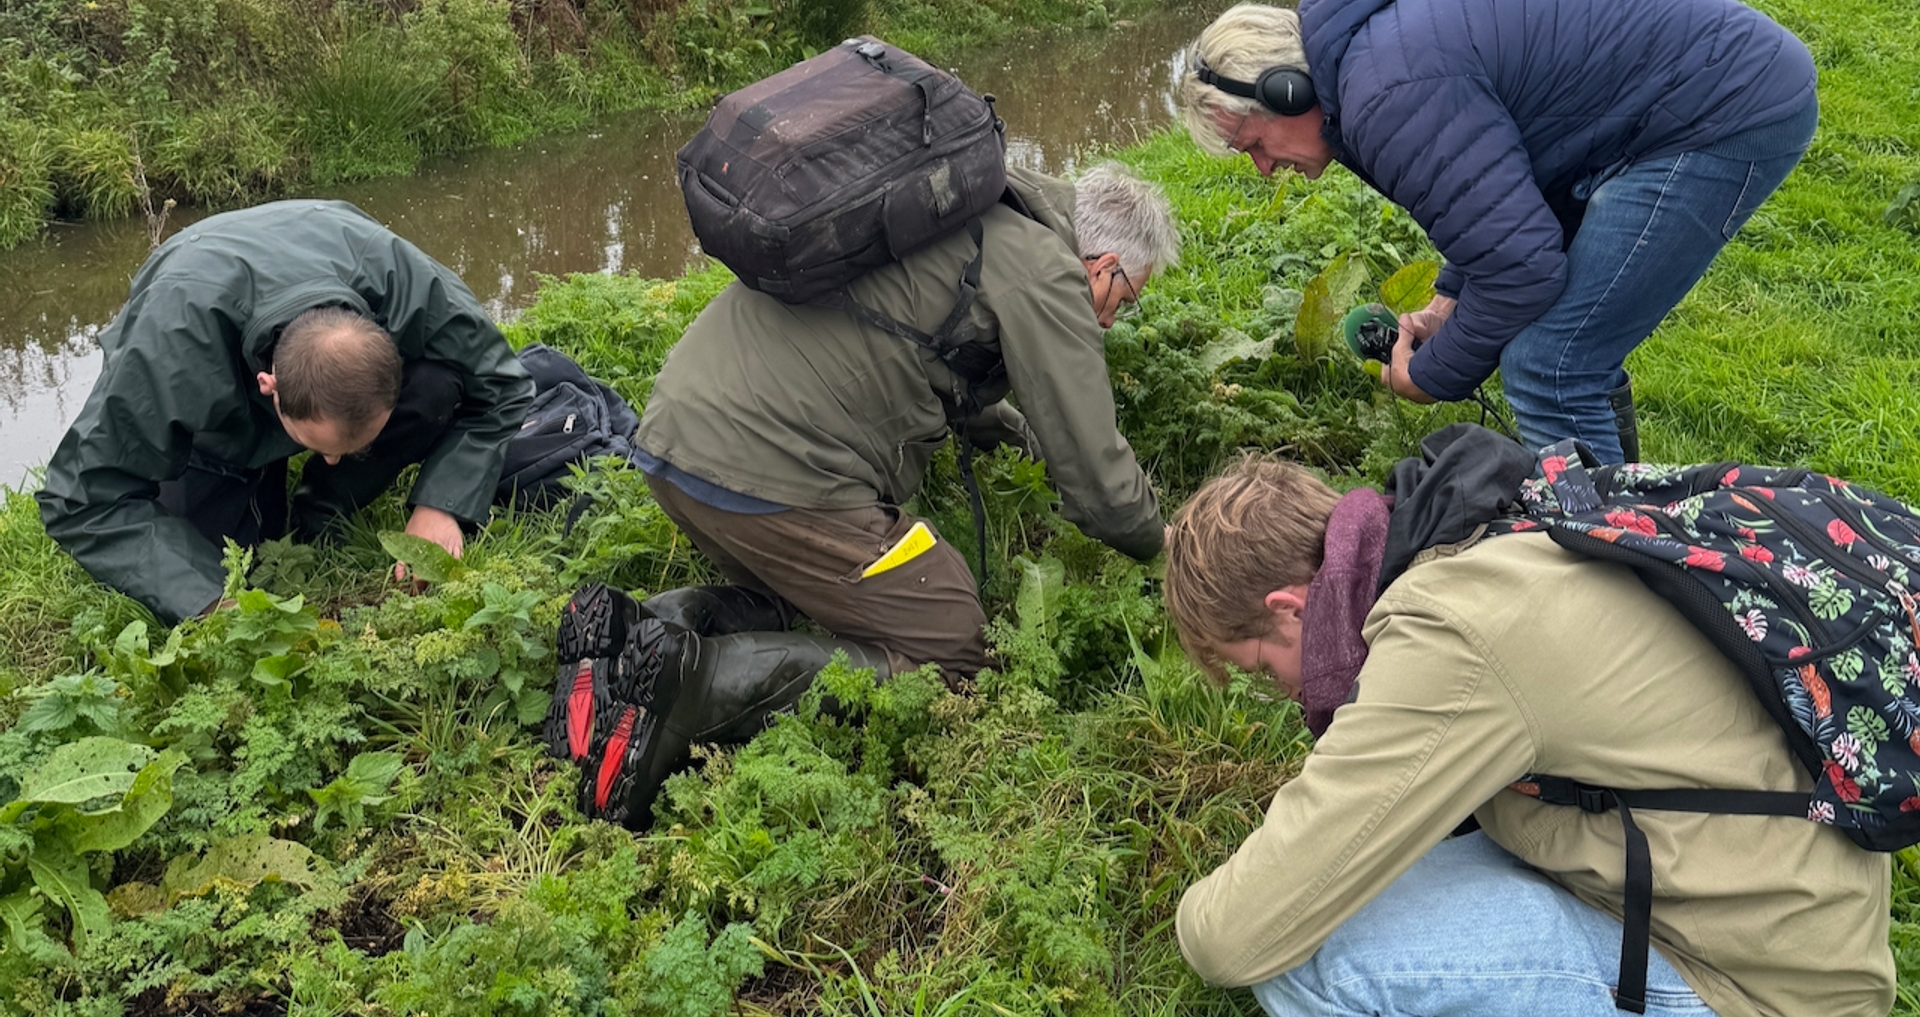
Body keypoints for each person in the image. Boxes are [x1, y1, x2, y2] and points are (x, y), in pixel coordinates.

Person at [1157, 437, 1893, 1017]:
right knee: (1361, 880)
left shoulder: (1449, 636)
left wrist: (1188, 913)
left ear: (1289, 607)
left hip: (1756, 984)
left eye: (1257, 667)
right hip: (1760, 893)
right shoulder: (1481, 531)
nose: (1279, 693)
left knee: (1312, 964)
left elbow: (1233, 940)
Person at [544, 162, 1179, 829]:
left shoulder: (969, 213)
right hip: (764, 469)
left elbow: (927, 351)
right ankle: (696, 688)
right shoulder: (1045, 270)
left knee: (801, 600)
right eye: (1125, 299)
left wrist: (1020, 442)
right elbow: (1099, 480)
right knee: (957, 653)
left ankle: (638, 633)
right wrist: (1161, 544)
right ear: (1102, 265)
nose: (1111, 320)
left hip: (678, 442)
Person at [1179, 0, 1818, 463]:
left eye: (1253, 144)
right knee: (1574, 347)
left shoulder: (1387, 98)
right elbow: (1493, 198)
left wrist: (1426, 376)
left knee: (1551, 363)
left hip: (1721, 111)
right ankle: (1633, 522)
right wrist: (1447, 302)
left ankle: (1609, 573)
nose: (1263, 167)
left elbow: (1523, 270)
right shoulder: (1366, 75)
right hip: (1691, 103)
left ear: (1285, 92)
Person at [38, 200, 533, 624]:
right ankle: (248, 474)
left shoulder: (401, 282)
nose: (339, 460)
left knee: (439, 387)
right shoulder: (169, 349)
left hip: (319, 248)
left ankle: (322, 509)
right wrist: (215, 603)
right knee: (228, 553)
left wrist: (441, 505)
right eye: (323, 450)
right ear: (268, 387)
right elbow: (81, 497)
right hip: (206, 348)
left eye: (348, 450)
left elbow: (503, 384)